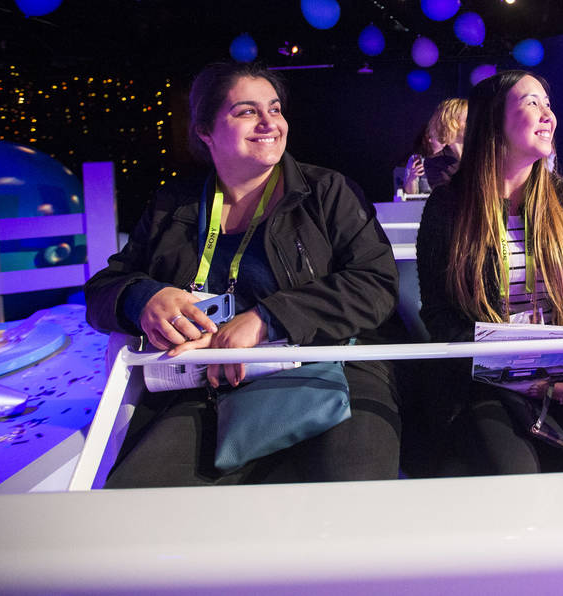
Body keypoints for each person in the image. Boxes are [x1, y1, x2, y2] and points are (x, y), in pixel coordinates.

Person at [85, 60, 401, 486]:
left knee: (344, 513)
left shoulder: (326, 191)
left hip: (328, 370)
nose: (269, 123)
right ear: (204, 130)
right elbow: (102, 291)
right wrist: (144, 299)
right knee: (138, 502)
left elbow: (375, 284)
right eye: (247, 111)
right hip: (204, 385)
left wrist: (266, 319)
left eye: (275, 108)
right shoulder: (173, 204)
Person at [415, 70, 563, 474]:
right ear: (492, 121)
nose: (548, 114)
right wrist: (500, 371)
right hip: (485, 385)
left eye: (548, 104)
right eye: (532, 103)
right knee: (516, 477)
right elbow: (439, 315)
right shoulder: (447, 208)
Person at [422, 97, 467, 190]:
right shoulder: (434, 163)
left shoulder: (482, 154)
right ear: (452, 124)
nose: (474, 122)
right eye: (468, 119)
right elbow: (446, 197)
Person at [396, 123, 439, 197]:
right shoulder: (417, 160)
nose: (444, 140)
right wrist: (412, 177)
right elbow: (410, 195)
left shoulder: (451, 158)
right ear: (430, 139)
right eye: (440, 136)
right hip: (423, 204)